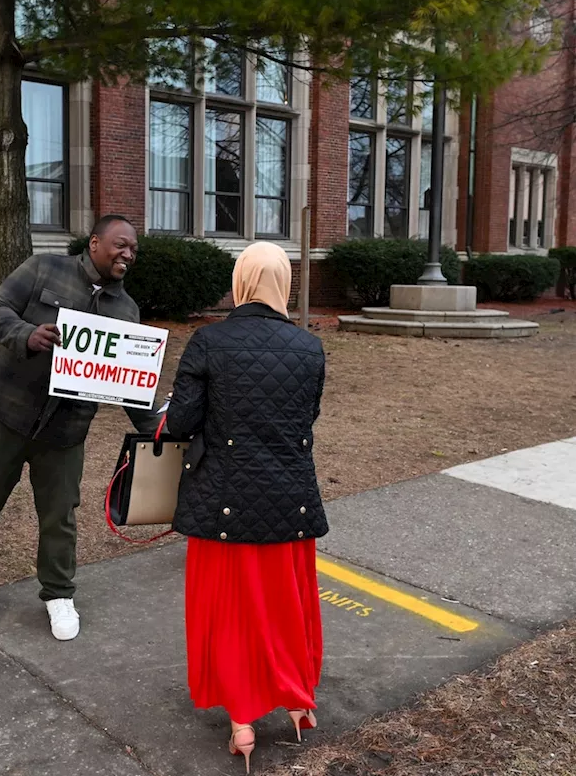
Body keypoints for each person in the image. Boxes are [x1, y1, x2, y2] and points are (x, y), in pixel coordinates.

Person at [0, 215, 160, 640]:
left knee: (59, 515)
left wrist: (161, 429)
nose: (128, 254)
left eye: (133, 249)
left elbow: (130, 382)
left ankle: (58, 592)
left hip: (65, 430)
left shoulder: (125, 310)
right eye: (120, 244)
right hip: (6, 413)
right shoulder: (44, 268)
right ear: (94, 242)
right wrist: (24, 334)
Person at [164, 241, 328, 773]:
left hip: (225, 499)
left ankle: (242, 721)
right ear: (283, 283)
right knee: (286, 604)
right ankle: (299, 700)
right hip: (290, 499)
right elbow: (306, 420)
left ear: (240, 282)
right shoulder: (309, 349)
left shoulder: (209, 342)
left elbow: (183, 423)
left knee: (230, 611)